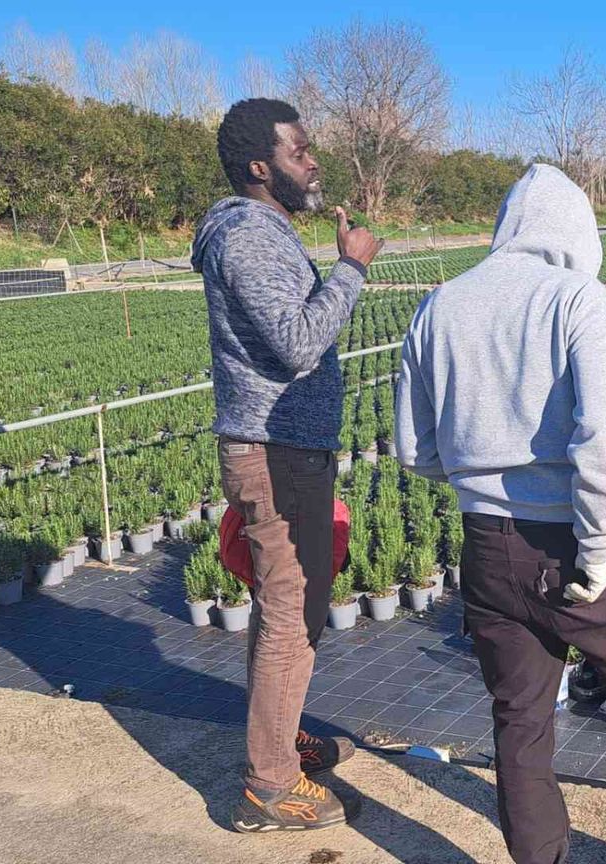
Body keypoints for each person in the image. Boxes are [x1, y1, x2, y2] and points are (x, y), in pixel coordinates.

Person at [395, 164, 606, 864]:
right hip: (578, 544)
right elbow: (600, 437)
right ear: (575, 228)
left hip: (486, 546)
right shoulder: (576, 299)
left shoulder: (438, 307)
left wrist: (482, 468)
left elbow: (414, 451)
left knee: (520, 719)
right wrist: (601, 549)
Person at [190, 97, 384, 833]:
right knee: (288, 618)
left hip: (285, 449)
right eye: (300, 151)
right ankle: (269, 783)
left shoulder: (262, 232)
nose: (314, 162)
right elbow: (297, 342)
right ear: (259, 166)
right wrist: (351, 270)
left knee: (289, 608)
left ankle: (279, 737)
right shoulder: (247, 237)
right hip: (274, 455)